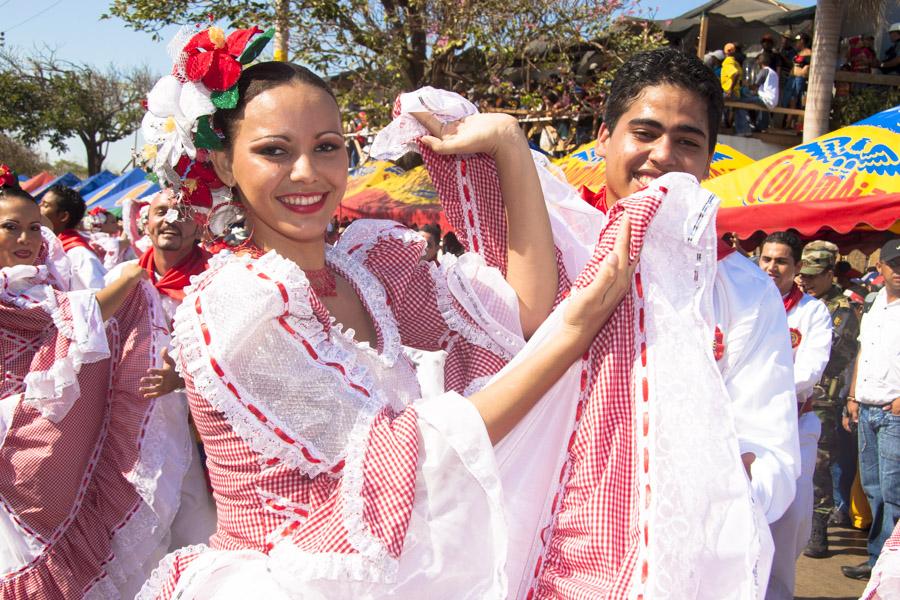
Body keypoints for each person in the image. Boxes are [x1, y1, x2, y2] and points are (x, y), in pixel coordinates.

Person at [133, 26, 635, 599]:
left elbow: (517, 318)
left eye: (326, 146)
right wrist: (570, 335)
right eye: (274, 150)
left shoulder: (366, 268)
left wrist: (509, 143)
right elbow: (403, 458)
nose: (307, 173)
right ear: (223, 165)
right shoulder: (240, 303)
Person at [539, 47, 798, 598]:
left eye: (687, 141)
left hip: (678, 565)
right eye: (645, 132)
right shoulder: (555, 249)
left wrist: (735, 476)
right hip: (542, 546)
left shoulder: (744, 290)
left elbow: (772, 450)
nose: (662, 155)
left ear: (709, 161)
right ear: (604, 138)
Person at [0, 169, 192, 598]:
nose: (26, 238)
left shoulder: (43, 280)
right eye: (10, 227)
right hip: (16, 437)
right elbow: (65, 327)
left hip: (42, 436)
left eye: (35, 227)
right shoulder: (22, 291)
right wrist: (125, 283)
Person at [104, 190, 218, 551]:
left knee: (198, 527)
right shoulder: (123, 276)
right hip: (132, 428)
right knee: (138, 535)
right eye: (161, 211)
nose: (170, 219)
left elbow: (235, 357)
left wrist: (181, 379)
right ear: (146, 223)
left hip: (197, 429)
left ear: (199, 225)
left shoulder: (215, 279)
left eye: (182, 212)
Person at [758, 232, 833, 600]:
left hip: (793, 423)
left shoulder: (812, 312)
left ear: (797, 268)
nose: (772, 267)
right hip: (744, 425)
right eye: (766, 259)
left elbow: (810, 369)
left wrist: (761, 389)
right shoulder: (747, 303)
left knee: (791, 518)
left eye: (781, 261)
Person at [795, 241, 861, 557]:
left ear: (830, 274)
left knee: (819, 468)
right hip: (799, 396)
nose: (804, 281)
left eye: (813, 276)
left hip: (823, 400)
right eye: (802, 274)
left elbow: (833, 357)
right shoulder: (803, 305)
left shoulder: (841, 310)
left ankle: (819, 534)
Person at [842, 238, 900, 581]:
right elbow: (863, 353)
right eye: (895, 265)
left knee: (894, 492)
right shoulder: (876, 303)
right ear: (881, 268)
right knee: (874, 488)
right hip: (866, 406)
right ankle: (879, 559)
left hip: (894, 411)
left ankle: (889, 564)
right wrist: (852, 397)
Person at [39, 184, 107, 289]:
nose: (38, 208)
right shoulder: (40, 248)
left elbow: (100, 296)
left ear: (63, 216)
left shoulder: (79, 254)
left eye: (45, 205)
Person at [735, 52, 780, 135]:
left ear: (760, 61)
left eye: (758, 60)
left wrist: (745, 85)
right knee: (754, 101)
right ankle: (762, 126)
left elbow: (754, 87)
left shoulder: (764, 71)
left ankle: (744, 129)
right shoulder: (773, 72)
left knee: (740, 103)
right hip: (772, 100)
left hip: (765, 99)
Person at [782, 33, 812, 129]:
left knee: (795, 100)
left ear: (802, 41)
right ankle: (787, 122)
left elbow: (809, 66)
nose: (796, 43)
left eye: (797, 41)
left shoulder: (809, 53)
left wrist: (804, 71)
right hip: (791, 78)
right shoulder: (797, 53)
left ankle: (790, 123)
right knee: (788, 100)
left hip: (799, 79)